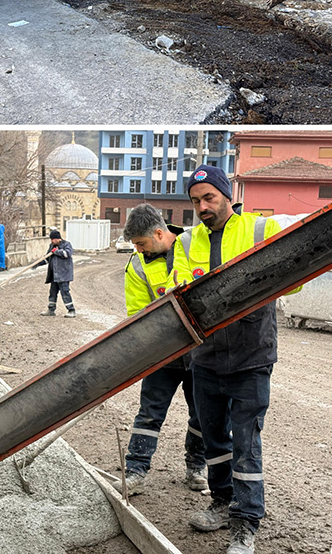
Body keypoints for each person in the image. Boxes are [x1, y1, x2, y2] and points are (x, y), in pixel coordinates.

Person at [177, 165, 283, 554]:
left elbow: (294, 276)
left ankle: (246, 520)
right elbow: (185, 294)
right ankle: (222, 502)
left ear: (226, 194)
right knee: (215, 438)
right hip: (205, 358)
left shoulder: (261, 231)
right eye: (195, 201)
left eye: (208, 197)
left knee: (246, 442)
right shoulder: (187, 243)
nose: (202, 206)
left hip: (251, 357)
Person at [119, 203, 207, 495]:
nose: (140, 250)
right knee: (149, 413)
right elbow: (137, 314)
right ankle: (135, 471)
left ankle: (197, 467)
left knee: (202, 414)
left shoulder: (197, 244)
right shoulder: (136, 265)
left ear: (159, 232)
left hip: (200, 352)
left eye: (142, 243)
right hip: (164, 355)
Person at [40, 229, 75, 317]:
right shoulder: (52, 246)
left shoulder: (67, 245)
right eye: (51, 239)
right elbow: (48, 257)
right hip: (54, 275)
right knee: (53, 292)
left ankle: (71, 310)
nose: (52, 241)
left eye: (53, 239)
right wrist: (38, 263)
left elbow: (67, 254)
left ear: (58, 238)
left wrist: (56, 251)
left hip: (63, 274)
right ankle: (51, 310)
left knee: (65, 292)